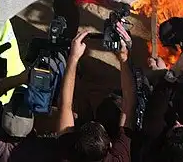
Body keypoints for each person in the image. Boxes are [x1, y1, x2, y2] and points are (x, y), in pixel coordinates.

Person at [56, 27, 134, 162]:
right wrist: (124, 58)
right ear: (110, 145)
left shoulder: (67, 152)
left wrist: (73, 58)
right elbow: (129, 105)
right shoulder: (119, 157)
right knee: (109, 107)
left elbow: (65, 106)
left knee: (83, 106)